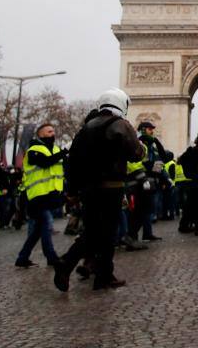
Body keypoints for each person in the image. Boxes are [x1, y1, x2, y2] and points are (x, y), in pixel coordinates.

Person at [54, 91, 145, 291]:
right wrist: (142, 148)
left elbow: (73, 161)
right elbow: (135, 153)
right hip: (111, 187)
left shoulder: (85, 128)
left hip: (88, 189)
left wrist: (73, 190)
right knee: (107, 233)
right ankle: (84, 268)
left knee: (94, 231)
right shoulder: (120, 125)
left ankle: (97, 272)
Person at [15, 123, 66, 267]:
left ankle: (22, 257)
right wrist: (64, 152)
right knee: (47, 224)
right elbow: (45, 163)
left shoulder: (55, 150)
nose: (53, 134)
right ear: (41, 134)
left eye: (53, 131)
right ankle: (52, 257)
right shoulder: (33, 150)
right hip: (36, 196)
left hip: (49, 196)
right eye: (49, 131)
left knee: (37, 230)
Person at [130, 121, 166, 242]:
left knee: (148, 208)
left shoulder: (152, 143)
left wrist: (156, 142)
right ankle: (132, 235)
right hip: (142, 179)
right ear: (144, 129)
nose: (152, 131)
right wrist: (153, 166)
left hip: (151, 178)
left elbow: (162, 157)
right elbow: (142, 161)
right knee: (141, 209)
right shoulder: (140, 142)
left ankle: (147, 233)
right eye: (150, 129)